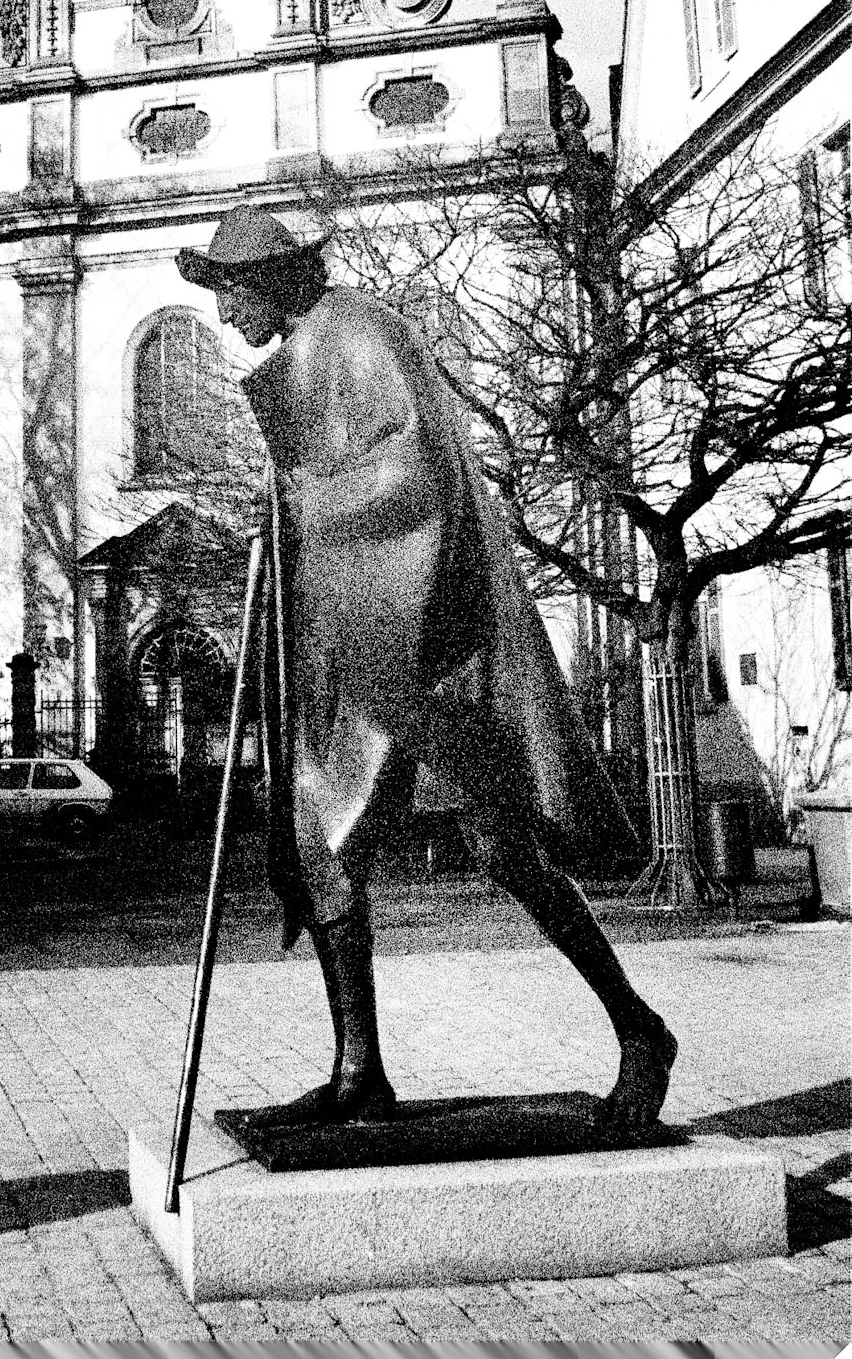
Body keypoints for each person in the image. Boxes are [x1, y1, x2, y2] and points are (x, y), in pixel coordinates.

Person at [177, 201, 677, 1144]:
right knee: (321, 846)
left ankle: (639, 1028)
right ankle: (358, 1072)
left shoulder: (363, 334)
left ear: (271, 280)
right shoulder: (303, 348)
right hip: (357, 640)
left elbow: (417, 479)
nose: (223, 315)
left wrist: (302, 503)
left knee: (505, 851)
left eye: (229, 292)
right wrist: (288, 516)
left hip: (427, 648)